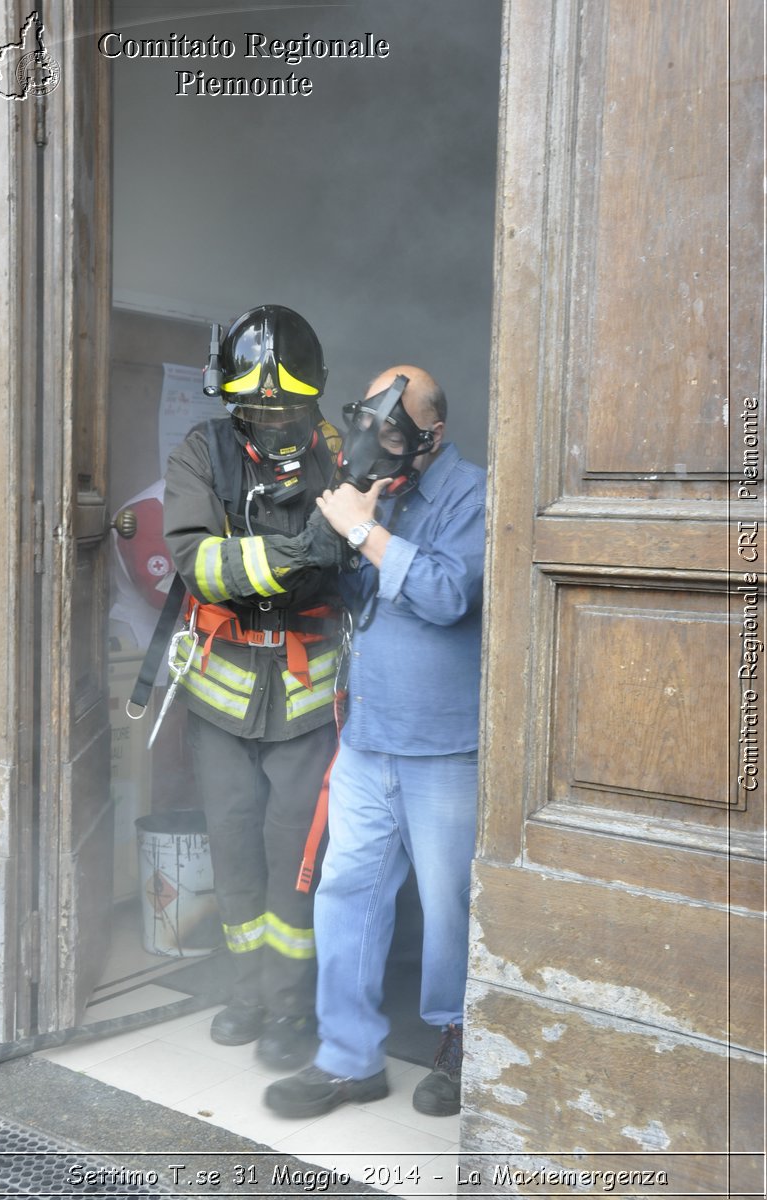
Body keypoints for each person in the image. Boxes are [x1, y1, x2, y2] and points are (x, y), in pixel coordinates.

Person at [264, 364, 486, 1119]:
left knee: (451, 906)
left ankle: (461, 1045)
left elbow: (450, 594)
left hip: (445, 747)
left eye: (398, 424)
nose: (380, 437)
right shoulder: (374, 491)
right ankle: (348, 1058)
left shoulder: (471, 493)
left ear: (435, 430)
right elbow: (351, 596)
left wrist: (362, 531)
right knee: (347, 895)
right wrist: (325, 533)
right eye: (373, 420)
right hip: (368, 739)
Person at [162, 305, 347, 1071]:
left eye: (287, 405)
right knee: (233, 848)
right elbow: (195, 562)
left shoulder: (340, 456)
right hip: (220, 698)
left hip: (306, 704)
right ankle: (242, 994)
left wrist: (323, 548)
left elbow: (354, 556)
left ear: (313, 398)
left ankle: (289, 1009)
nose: (272, 417)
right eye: (257, 404)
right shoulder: (200, 452)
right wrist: (294, 551)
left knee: (295, 862)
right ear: (231, 398)